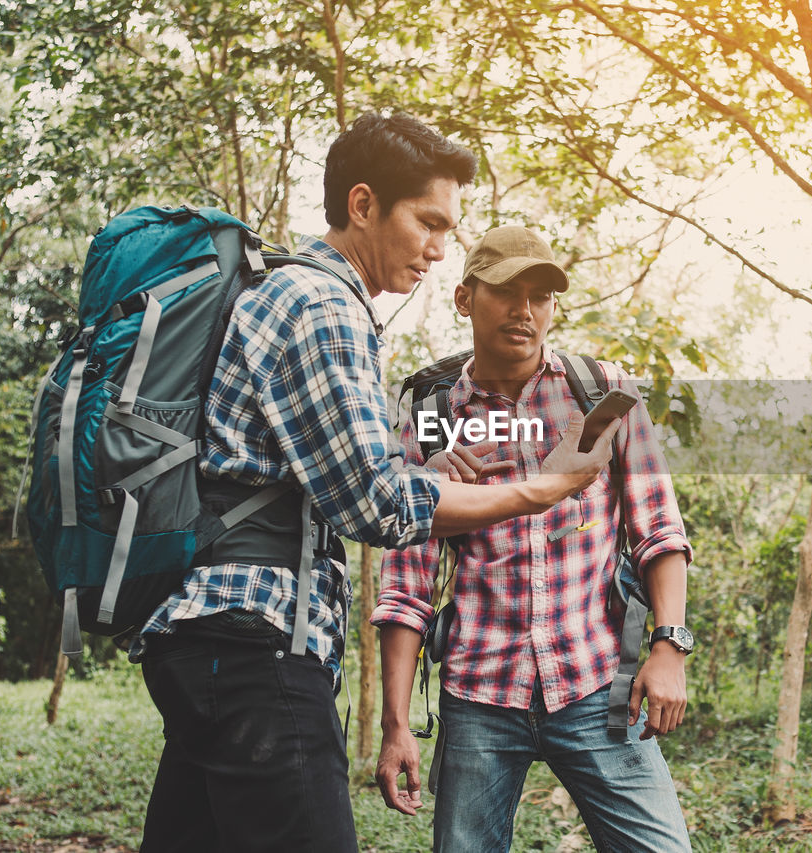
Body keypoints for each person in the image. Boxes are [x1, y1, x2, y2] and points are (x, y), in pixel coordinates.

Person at [128, 114, 618, 853]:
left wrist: (416, 474)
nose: (439, 248)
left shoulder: (289, 295)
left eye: (448, 228)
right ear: (363, 205)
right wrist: (544, 489)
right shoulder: (324, 306)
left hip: (208, 640)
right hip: (255, 647)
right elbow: (377, 506)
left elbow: (329, 475)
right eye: (427, 222)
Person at [372, 225, 695, 852]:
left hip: (596, 683)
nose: (525, 311)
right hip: (479, 693)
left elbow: (657, 526)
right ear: (465, 298)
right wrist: (396, 723)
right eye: (506, 292)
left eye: (540, 295)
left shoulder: (603, 392)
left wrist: (669, 647)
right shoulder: (434, 411)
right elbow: (406, 582)